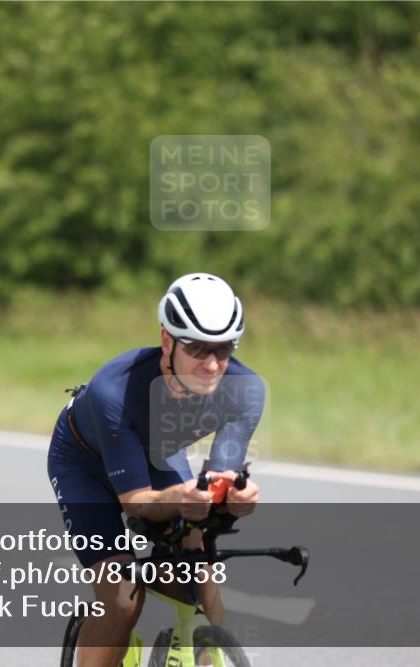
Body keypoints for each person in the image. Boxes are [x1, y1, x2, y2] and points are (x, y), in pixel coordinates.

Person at [47, 272, 264, 667]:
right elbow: (137, 504)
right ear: (167, 340)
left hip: (156, 455)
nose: (211, 365)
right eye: (197, 348)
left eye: (223, 348)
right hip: (84, 463)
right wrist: (181, 497)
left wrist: (234, 498)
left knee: (197, 569)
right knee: (123, 599)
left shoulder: (245, 391)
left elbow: (217, 486)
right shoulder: (114, 389)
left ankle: (202, 653)